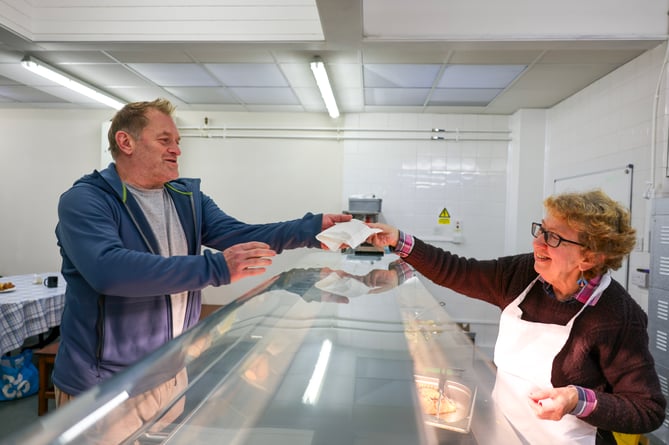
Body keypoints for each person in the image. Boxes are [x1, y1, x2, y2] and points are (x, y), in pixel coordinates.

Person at [52, 98, 351, 432]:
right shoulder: (85, 200)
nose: (176, 150)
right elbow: (109, 270)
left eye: (178, 142)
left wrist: (311, 230)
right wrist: (217, 268)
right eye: (165, 140)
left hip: (170, 373)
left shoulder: (186, 198)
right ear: (126, 142)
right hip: (104, 386)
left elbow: (239, 235)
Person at [366, 190, 666, 445]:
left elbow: (647, 409)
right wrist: (399, 240)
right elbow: (455, 270)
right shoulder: (522, 274)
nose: (538, 244)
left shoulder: (618, 316)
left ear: (589, 258)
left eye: (553, 238)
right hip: (503, 431)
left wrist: (576, 399)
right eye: (540, 230)